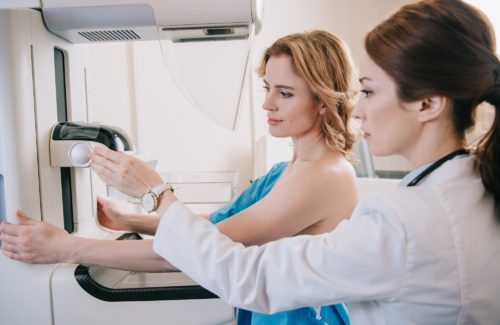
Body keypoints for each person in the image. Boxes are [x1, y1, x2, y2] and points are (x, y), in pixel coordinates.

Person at [11, 0, 498, 323]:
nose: (361, 106)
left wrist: (75, 242)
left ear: (429, 103)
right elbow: (223, 230)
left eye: (370, 92)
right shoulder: (462, 191)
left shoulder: (399, 218)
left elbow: (244, 272)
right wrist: (137, 216)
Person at [0, 30, 358, 324]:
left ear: (323, 99)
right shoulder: (288, 169)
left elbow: (199, 249)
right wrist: (130, 218)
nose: (268, 104)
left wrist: (66, 247)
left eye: (285, 93)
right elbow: (219, 225)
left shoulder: (324, 177)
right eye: (267, 89)